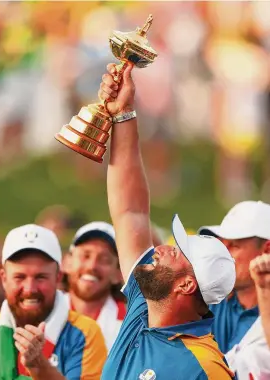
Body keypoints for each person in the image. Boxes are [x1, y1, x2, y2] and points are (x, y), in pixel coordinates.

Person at [97, 62, 236, 379]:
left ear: (187, 285)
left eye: (177, 252)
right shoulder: (142, 305)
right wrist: (124, 113)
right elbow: (130, 210)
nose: (161, 249)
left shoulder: (205, 367)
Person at [0, 224, 107, 380]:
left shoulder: (85, 334)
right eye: (19, 277)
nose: (29, 289)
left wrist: (39, 366)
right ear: (4, 278)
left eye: (41, 277)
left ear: (58, 277)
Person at [198, 201, 270, 379]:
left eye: (233, 246)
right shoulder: (210, 300)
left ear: (267, 250)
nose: (222, 253)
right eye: (221, 244)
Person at [63, 221, 126, 352]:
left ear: (119, 274)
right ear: (66, 262)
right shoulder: (43, 312)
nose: (92, 266)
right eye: (85, 255)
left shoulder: (130, 327)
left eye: (104, 259)